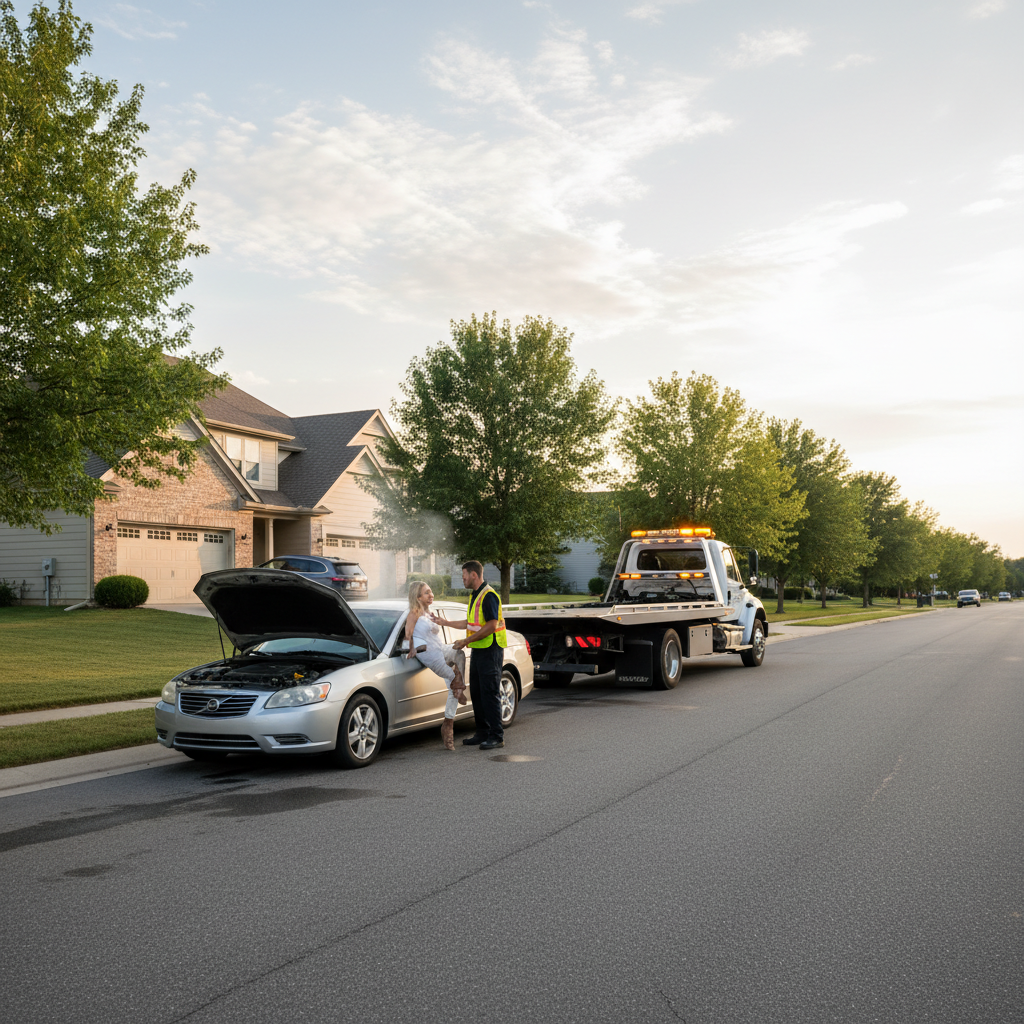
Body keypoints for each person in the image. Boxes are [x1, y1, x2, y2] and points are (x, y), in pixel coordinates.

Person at [431, 560, 506, 750]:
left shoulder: (489, 595)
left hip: (491, 649)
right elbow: (470, 622)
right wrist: (445, 623)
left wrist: (466, 641)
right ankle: (482, 732)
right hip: (480, 650)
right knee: (478, 693)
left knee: (489, 693)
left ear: (474, 574)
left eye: (464, 575)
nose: (462, 578)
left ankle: (497, 736)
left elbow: (491, 625)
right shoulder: (476, 595)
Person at [405, 581, 467, 751]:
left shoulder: (429, 612)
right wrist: (411, 649)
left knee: (459, 653)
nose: (431, 595)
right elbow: (408, 634)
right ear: (418, 597)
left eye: (431, 591)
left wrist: (441, 622)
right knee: (453, 678)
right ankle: (449, 723)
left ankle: (458, 692)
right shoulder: (413, 614)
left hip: (440, 649)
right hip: (428, 654)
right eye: (426, 593)